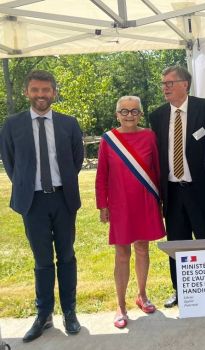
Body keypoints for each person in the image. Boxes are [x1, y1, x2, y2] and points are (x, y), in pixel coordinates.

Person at [0, 70, 83, 342]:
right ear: (27, 92)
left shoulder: (69, 123)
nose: (40, 95)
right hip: (32, 202)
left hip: (63, 199)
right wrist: (26, 186)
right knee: (42, 260)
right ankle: (44, 314)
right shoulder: (12, 124)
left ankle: (69, 311)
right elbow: (11, 163)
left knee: (67, 256)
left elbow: (76, 159)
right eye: (35, 90)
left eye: (46, 90)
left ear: (54, 93)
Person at [149, 66, 205, 308]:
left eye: (170, 82)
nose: (165, 87)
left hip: (202, 190)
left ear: (185, 85)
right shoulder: (157, 116)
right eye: (163, 83)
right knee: (177, 244)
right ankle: (180, 291)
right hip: (173, 191)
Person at [95, 96, 165, 328]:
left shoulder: (149, 136)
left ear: (141, 114)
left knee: (143, 249)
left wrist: (160, 200)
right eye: (124, 111)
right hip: (120, 204)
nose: (129, 116)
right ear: (117, 114)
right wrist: (102, 205)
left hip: (145, 201)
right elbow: (101, 175)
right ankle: (121, 306)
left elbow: (157, 169)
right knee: (122, 254)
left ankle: (142, 295)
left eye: (134, 111)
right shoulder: (108, 139)